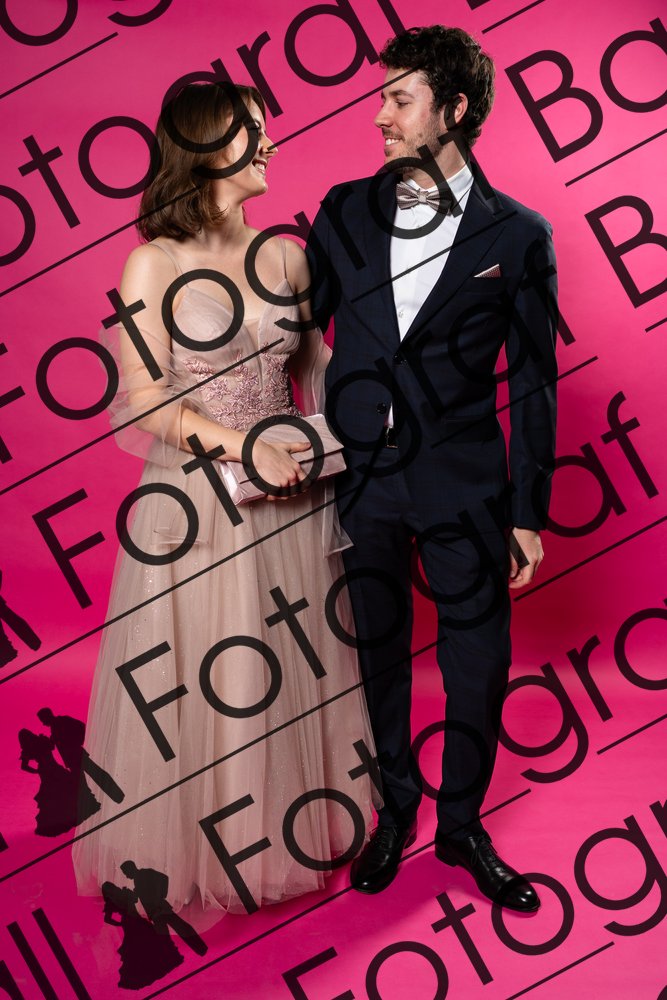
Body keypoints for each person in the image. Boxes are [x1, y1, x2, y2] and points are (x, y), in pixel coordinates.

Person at [72, 82, 379, 918]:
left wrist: (371, 417)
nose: (270, 144)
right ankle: (208, 844)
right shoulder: (154, 262)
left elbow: (313, 369)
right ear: (208, 147)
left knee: (292, 658)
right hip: (201, 499)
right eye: (253, 132)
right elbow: (142, 399)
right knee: (216, 663)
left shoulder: (286, 256)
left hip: (292, 493)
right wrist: (245, 447)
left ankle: (283, 831)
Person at [306, 25, 558, 911]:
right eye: (381, 97)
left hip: (465, 484)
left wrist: (527, 512)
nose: (378, 115)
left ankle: (460, 827)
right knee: (377, 653)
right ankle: (394, 812)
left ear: (451, 110)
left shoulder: (519, 235)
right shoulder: (342, 210)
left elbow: (533, 380)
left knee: (476, 664)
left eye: (398, 98)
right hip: (363, 478)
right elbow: (295, 330)